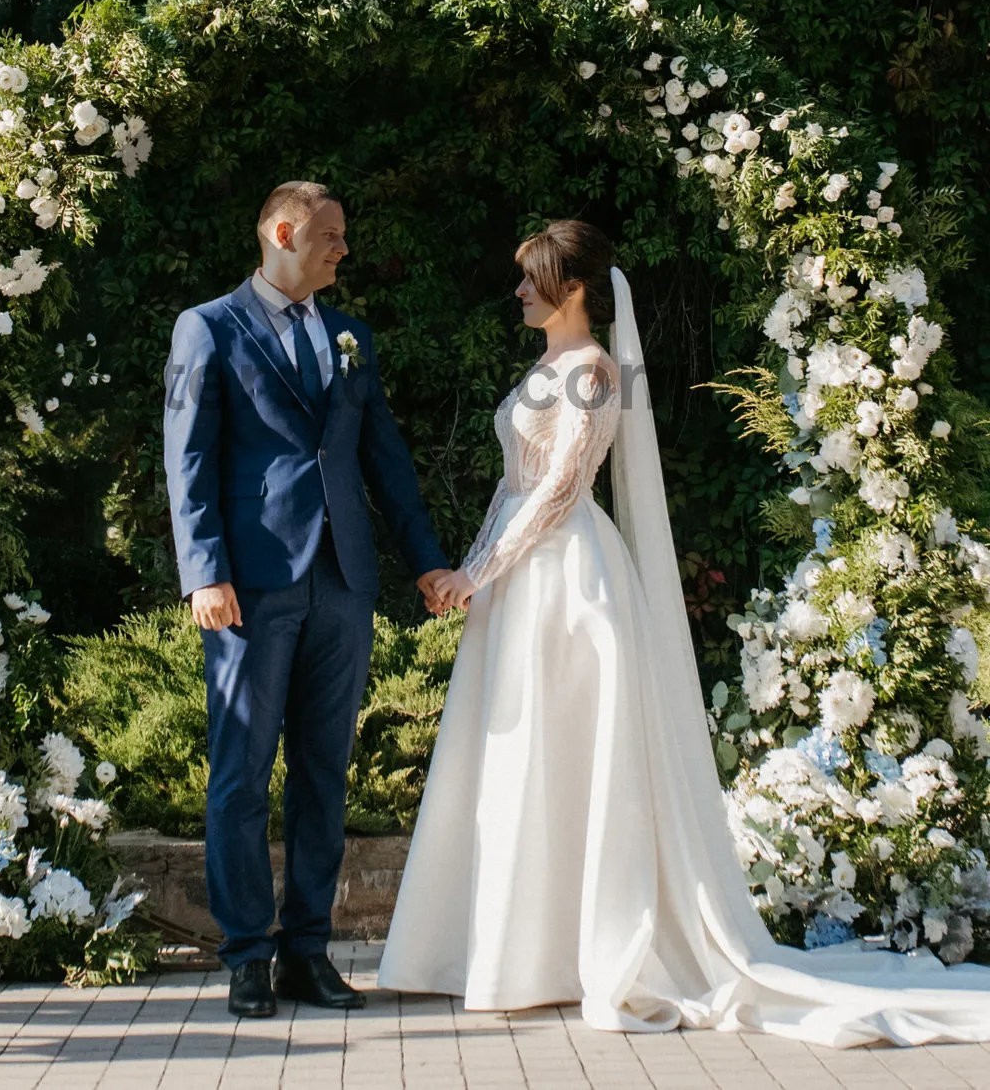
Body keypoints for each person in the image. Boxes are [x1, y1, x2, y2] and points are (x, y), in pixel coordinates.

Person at [379, 219, 990, 1047]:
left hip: (570, 582)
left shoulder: (594, 372)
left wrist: (480, 573)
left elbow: (561, 490)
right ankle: (521, 948)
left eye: (534, 278)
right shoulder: (543, 367)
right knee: (525, 757)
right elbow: (511, 488)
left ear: (577, 290)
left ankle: (573, 953)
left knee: (573, 753)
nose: (519, 290)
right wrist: (470, 568)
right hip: (518, 582)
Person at [163, 181, 449, 1020]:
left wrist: (425, 562)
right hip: (249, 583)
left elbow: (385, 460)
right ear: (282, 232)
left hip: (343, 582)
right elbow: (188, 459)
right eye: (329, 235)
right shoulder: (206, 327)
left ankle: (307, 953)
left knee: (324, 774)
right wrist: (202, 570)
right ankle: (247, 956)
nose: (342, 249)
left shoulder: (351, 335)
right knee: (242, 775)